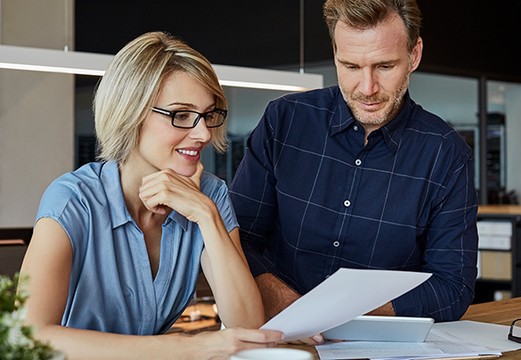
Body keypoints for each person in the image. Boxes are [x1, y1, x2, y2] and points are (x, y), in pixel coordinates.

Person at [19, 31, 283, 359]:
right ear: (131, 114)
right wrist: (181, 348)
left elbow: (246, 324)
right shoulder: (74, 199)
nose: (202, 133)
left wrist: (206, 213)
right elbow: (30, 337)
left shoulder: (210, 194)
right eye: (181, 115)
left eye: (208, 115)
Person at [229, 0, 478, 339]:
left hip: (377, 347)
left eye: (385, 66)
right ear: (335, 54)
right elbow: (238, 237)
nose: (367, 88)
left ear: (414, 55)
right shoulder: (284, 121)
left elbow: (453, 285)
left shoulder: (446, 153)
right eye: (350, 66)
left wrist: (346, 314)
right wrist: (289, 304)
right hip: (275, 339)